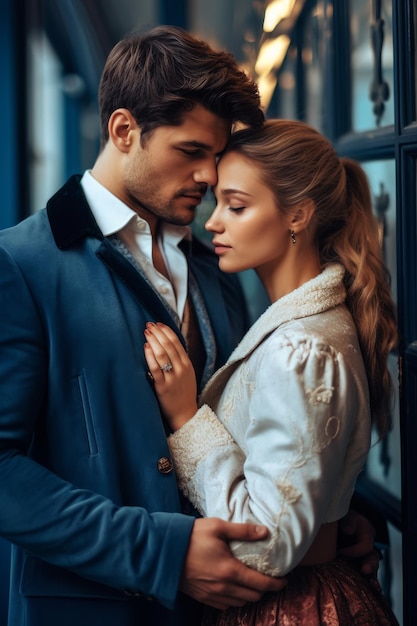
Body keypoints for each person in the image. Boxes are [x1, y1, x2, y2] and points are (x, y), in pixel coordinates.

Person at [0, 24, 379, 626]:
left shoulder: (217, 264)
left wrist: (332, 519)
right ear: (124, 130)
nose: (209, 176)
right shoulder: (21, 264)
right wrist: (163, 555)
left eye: (215, 153)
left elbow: (265, 424)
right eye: (190, 151)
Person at [143, 119, 400, 625]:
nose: (213, 222)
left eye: (237, 206)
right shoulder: (303, 325)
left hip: (293, 608)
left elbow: (266, 544)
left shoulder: (302, 349)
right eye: (218, 203)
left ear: (298, 216)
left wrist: (186, 419)